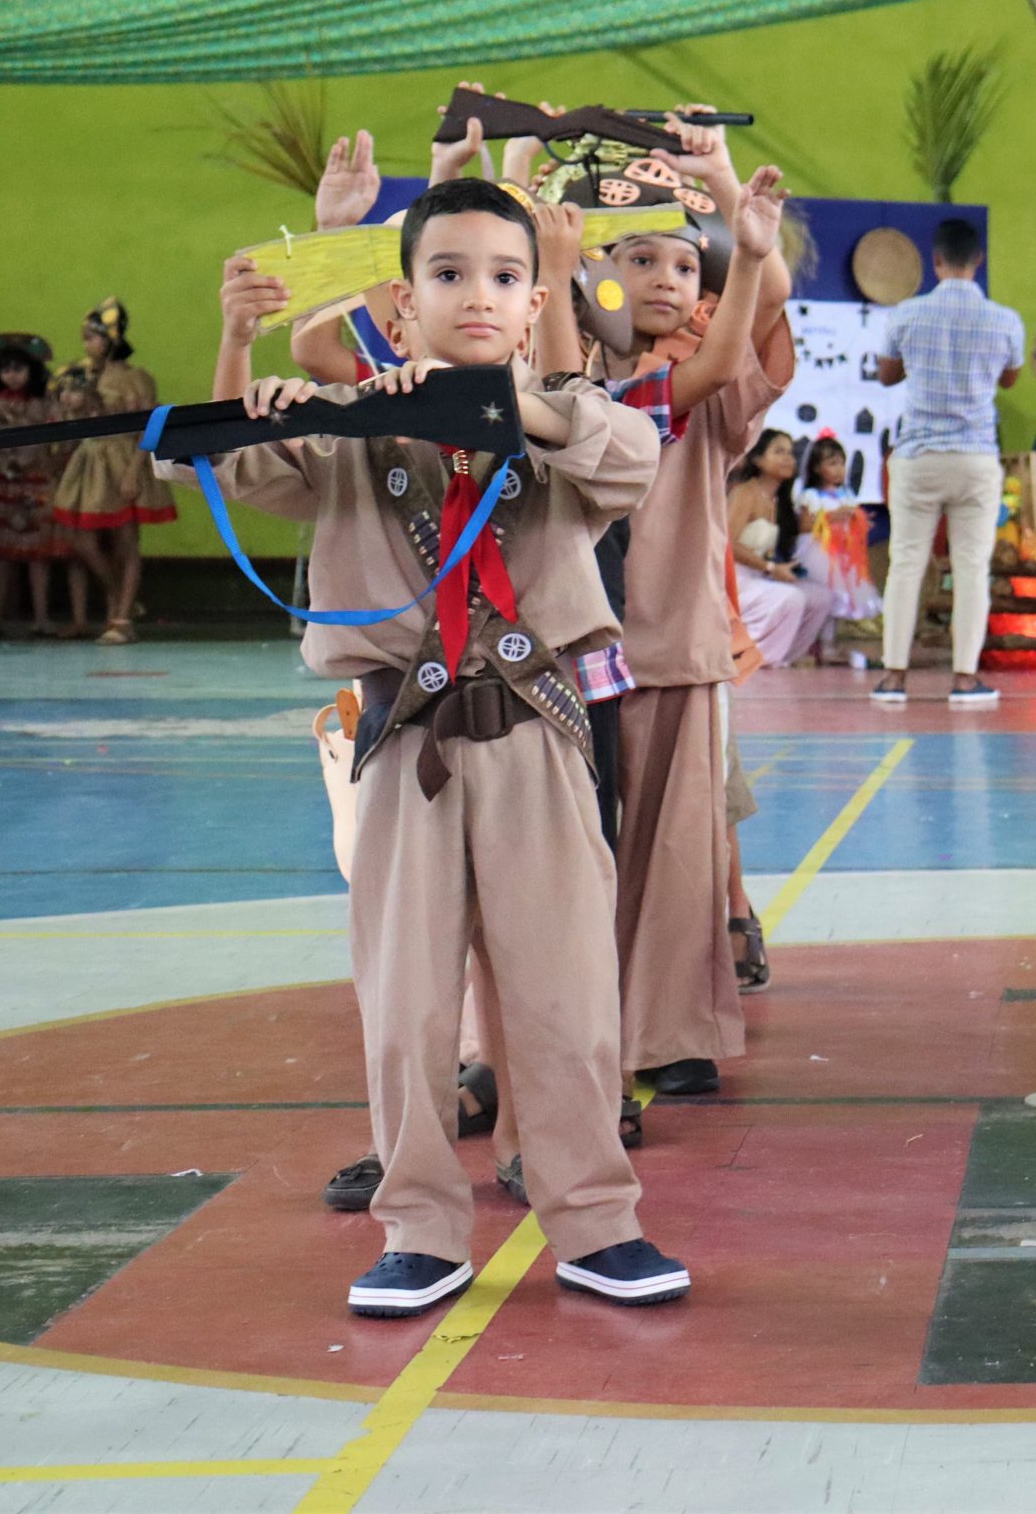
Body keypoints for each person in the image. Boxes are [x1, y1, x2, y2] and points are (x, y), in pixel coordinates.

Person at [193, 181, 685, 1317]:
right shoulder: (353, 426)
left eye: (506, 278)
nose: (479, 296)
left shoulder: (567, 416)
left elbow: (624, 459)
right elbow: (241, 468)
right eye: (449, 274)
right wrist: (244, 359)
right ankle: (419, 1228)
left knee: (564, 996)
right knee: (406, 1001)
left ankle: (597, 1222)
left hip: (540, 744)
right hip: (406, 743)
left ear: (535, 304)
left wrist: (519, 400)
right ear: (399, 307)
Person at [539, 119, 793, 1104]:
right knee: (561, 855)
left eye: (684, 266)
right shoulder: (548, 372)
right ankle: (545, 1035)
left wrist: (728, 191)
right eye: (636, 258)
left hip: (673, 648)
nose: (663, 282)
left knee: (678, 856)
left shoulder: (695, 382)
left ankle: (669, 1029)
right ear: (584, 270)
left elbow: (755, 319)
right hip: (558, 653)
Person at [871, 217, 1022, 708]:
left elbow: (887, 375)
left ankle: (893, 678)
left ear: (935, 261)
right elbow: (1010, 381)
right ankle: (964, 679)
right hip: (976, 457)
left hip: (917, 456)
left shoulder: (907, 314)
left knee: (906, 564)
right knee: (972, 567)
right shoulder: (1005, 320)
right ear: (978, 262)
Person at [50, 299, 176, 644]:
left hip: (123, 456)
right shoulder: (80, 373)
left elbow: (148, 428)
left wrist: (135, 470)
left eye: (92, 337)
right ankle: (125, 596)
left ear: (110, 339)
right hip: (88, 458)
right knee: (80, 537)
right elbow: (71, 417)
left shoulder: (137, 379)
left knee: (126, 540)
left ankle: (121, 618)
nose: (86, 344)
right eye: (85, 337)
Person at [729, 429, 827, 668]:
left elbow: (785, 550)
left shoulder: (780, 501)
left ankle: (785, 656)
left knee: (821, 598)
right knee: (791, 598)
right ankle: (753, 659)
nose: (788, 458)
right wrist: (771, 567)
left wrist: (805, 530)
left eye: (790, 453)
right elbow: (728, 544)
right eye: (779, 451)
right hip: (733, 578)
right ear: (757, 459)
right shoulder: (745, 493)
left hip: (761, 576)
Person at [0, 334, 66, 636]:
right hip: (0, 486)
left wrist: (51, 467)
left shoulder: (43, 405)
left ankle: (41, 618)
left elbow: (63, 439)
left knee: (39, 558)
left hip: (36, 485)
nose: (12, 375)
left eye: (19, 369)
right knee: (1, 559)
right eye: (6, 368)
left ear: (32, 371)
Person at [793, 436, 881, 630]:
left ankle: (830, 643)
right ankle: (814, 642)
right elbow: (804, 526)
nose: (839, 469)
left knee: (841, 599)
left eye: (842, 463)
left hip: (844, 557)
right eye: (833, 463)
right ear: (816, 468)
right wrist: (832, 517)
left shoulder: (847, 496)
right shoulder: (811, 496)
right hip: (820, 555)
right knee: (824, 595)